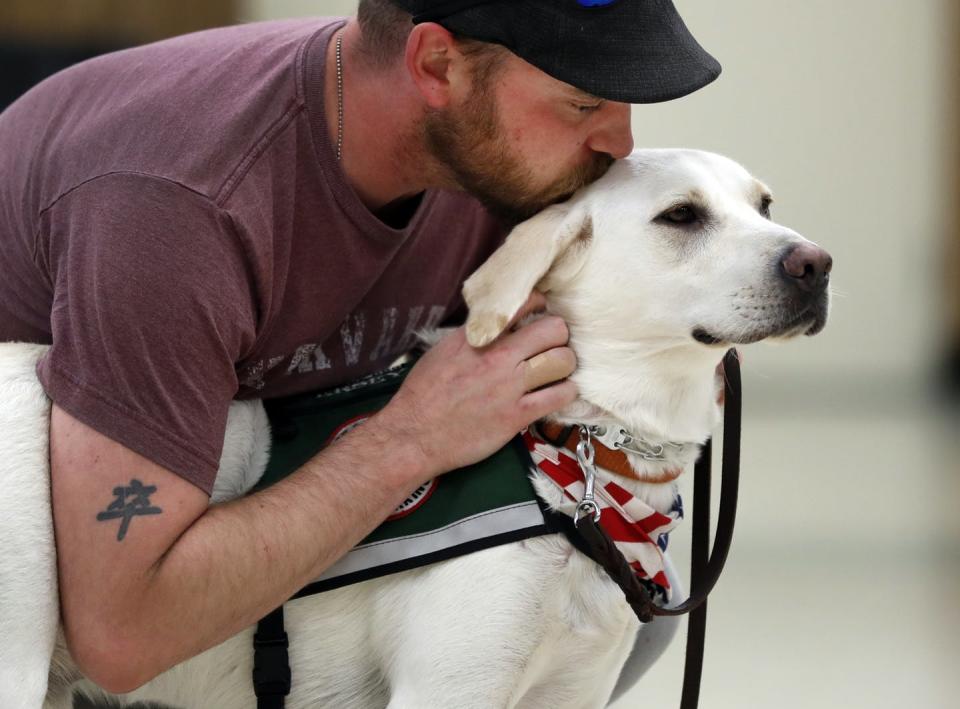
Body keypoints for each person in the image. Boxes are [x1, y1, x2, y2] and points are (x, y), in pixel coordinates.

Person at [0, 0, 720, 694]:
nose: (619, 143)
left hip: (218, 475)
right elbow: (123, 633)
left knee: (626, 600)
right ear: (437, 65)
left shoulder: (492, 159)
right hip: (52, 540)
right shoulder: (179, 208)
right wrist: (408, 438)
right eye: (583, 103)